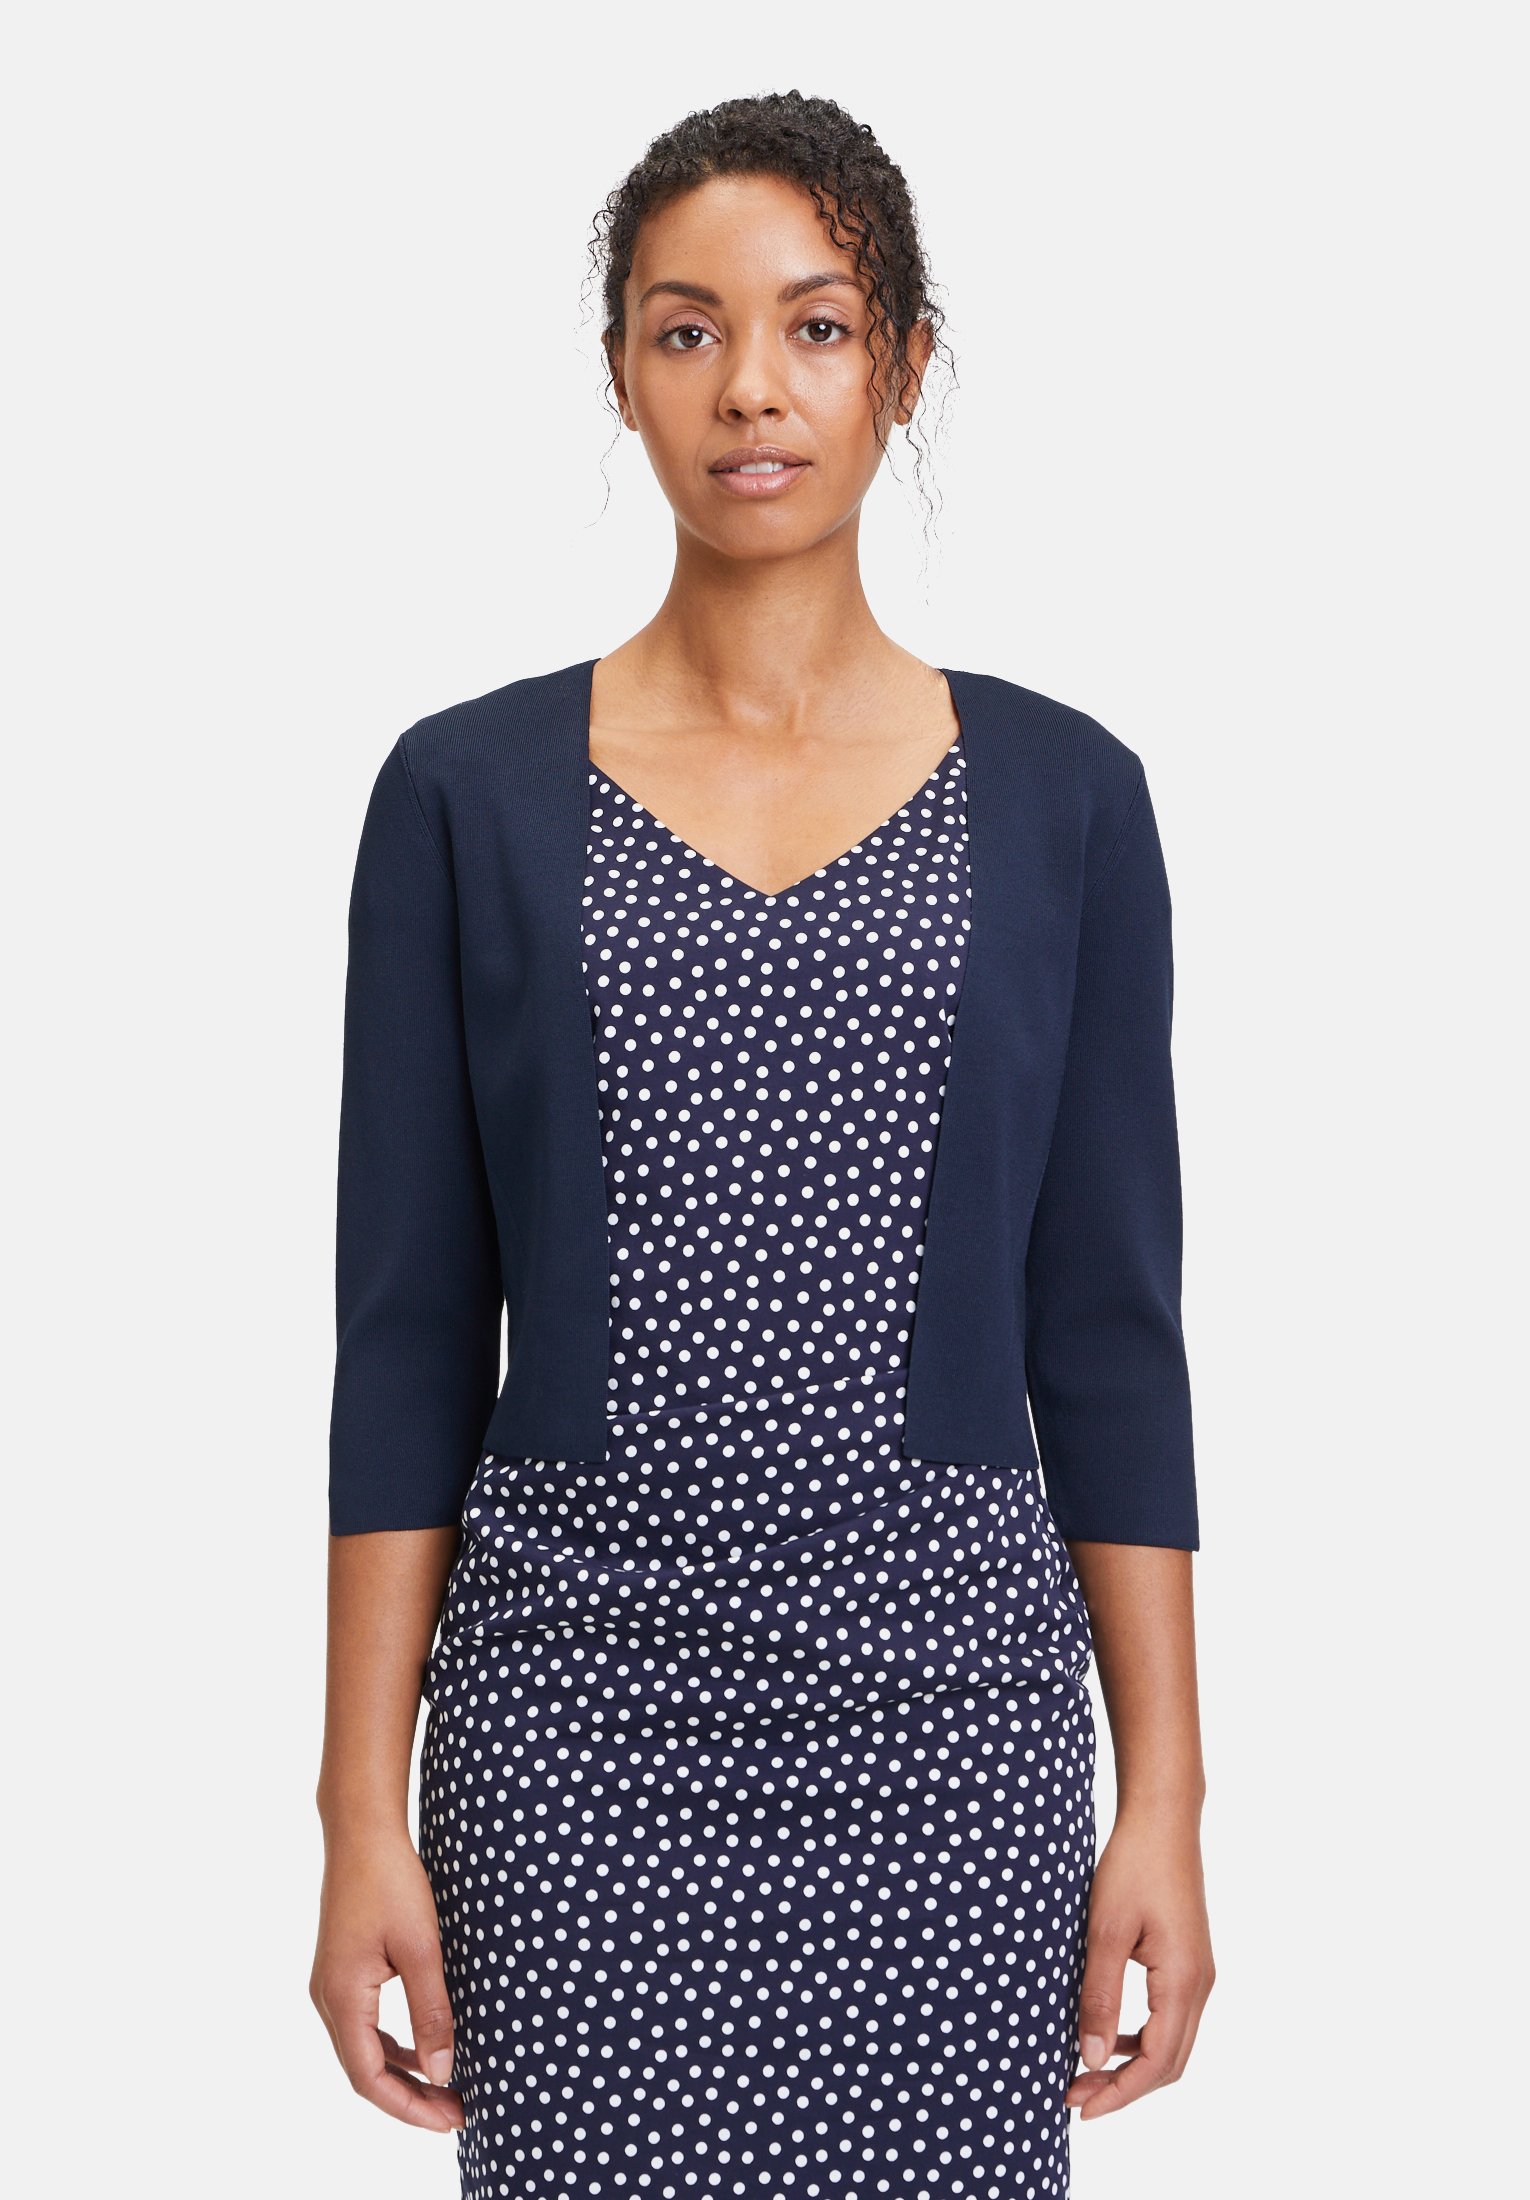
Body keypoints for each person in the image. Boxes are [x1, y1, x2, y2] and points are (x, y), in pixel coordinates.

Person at [310, 88, 1214, 2200]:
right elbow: (408, 1335)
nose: (750, 389)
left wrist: (1164, 1795)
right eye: (686, 328)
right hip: (573, 1725)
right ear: (620, 369)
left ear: (903, 362)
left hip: (949, 1724)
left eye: (815, 326)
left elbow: (1110, 1334)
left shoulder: (1066, 800)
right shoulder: (465, 794)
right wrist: (358, 1808)